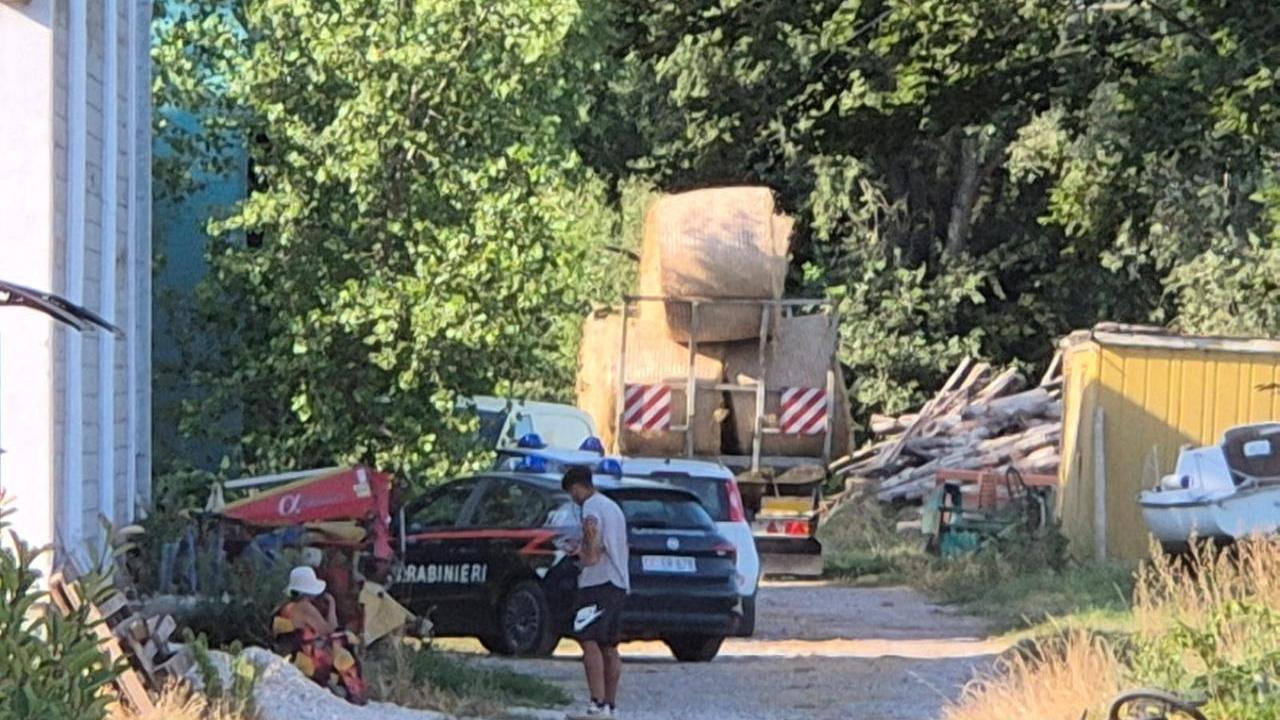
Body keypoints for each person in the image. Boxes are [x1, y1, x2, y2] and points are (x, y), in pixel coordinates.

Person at [563, 466, 630, 719]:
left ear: (578, 487)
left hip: (597, 584)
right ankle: (611, 706)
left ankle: (596, 703)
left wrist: (578, 552)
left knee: (588, 640)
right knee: (610, 646)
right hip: (619, 582)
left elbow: (592, 549)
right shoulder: (613, 507)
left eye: (572, 492)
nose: (573, 498)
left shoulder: (590, 508)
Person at [273, 565, 367, 705]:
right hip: (304, 657)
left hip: (293, 651)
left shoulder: (286, 607)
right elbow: (329, 630)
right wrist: (332, 605)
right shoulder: (305, 608)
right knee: (342, 643)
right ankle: (354, 691)